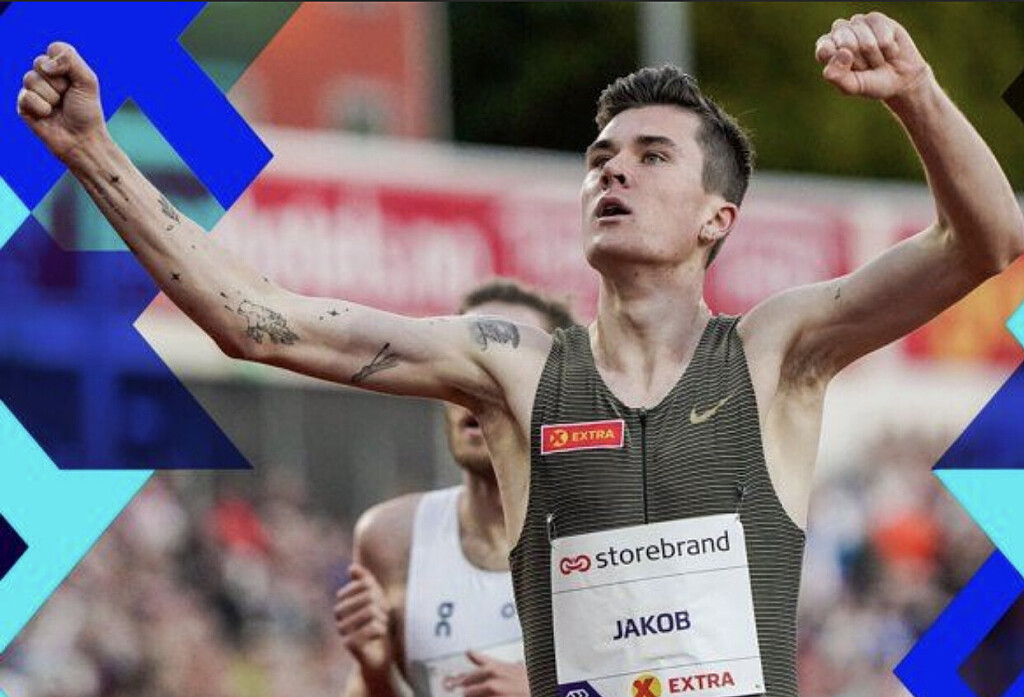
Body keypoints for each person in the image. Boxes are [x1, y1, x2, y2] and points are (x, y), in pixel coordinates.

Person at [18, 12, 1023, 697]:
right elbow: (261, 322)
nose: (612, 172)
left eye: (651, 156)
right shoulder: (518, 371)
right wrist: (96, 152)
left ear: (718, 216)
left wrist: (916, 94)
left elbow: (984, 240)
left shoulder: (777, 349)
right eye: (599, 158)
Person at [333, 279, 572, 697]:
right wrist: (374, 671)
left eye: (504, 365)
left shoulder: (606, 534)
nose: (477, 387)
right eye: (462, 364)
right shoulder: (390, 539)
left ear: (559, 390)